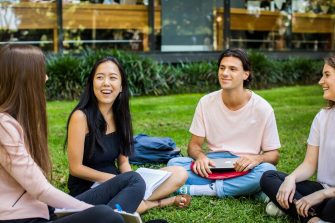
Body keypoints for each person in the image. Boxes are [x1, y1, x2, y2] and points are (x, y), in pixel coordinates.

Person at [0, 44, 146, 223]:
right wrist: (91, 211)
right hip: (24, 219)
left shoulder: (17, 122)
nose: (46, 77)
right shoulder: (3, 127)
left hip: (43, 210)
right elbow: (41, 190)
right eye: (41, 71)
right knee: (107, 216)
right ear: (23, 78)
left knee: (133, 180)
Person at [64, 56, 190, 214]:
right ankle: (159, 202)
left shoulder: (121, 117)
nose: (106, 83)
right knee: (125, 198)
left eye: (113, 78)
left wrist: (130, 180)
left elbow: (123, 163)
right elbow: (76, 168)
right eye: (100, 77)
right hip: (88, 189)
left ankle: (132, 200)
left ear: (121, 85)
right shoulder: (80, 117)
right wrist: (116, 181)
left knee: (179, 173)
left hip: (120, 182)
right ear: (91, 83)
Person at [167, 48, 281, 198]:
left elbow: (273, 154)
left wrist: (256, 159)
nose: (225, 73)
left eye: (232, 69)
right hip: (214, 164)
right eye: (222, 68)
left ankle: (205, 190)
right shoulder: (206, 102)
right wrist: (201, 158)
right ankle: (249, 189)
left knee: (267, 170)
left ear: (246, 74)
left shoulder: (262, 108)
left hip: (245, 167)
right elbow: (194, 145)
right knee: (174, 164)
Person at [260, 56, 335, 223]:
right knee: (269, 177)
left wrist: (322, 194)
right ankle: (314, 219)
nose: (321, 81)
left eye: (327, 75)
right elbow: (310, 164)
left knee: (331, 206)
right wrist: (290, 179)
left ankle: (291, 207)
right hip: (323, 190)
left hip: (330, 196)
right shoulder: (322, 117)